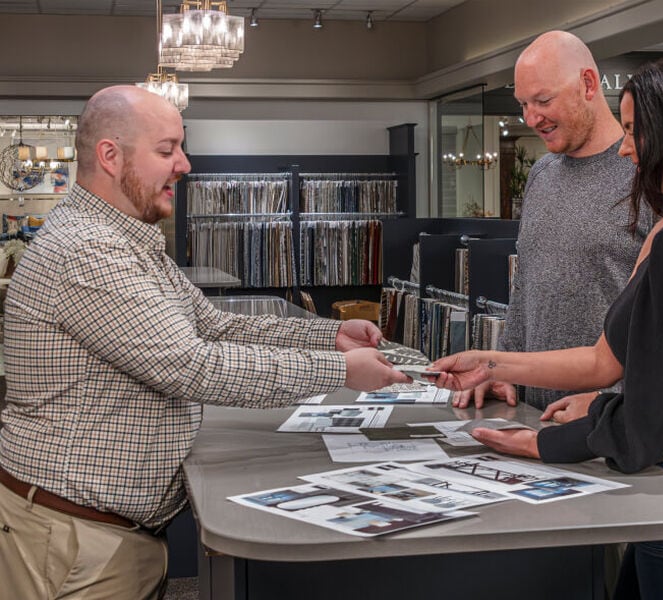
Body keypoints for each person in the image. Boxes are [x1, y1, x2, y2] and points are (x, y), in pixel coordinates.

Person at [0, 85, 410, 600]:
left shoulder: (127, 243)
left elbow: (214, 326)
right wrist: (340, 373)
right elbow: (193, 365)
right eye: (167, 149)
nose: (185, 165)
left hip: (96, 532)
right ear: (110, 156)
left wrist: (328, 336)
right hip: (73, 540)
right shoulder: (90, 251)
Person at [432, 56, 663, 599]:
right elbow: (605, 360)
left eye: (633, 132)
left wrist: (547, 443)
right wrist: (490, 361)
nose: (625, 149)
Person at [454, 31, 650, 412]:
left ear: (588, 84)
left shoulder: (646, 175)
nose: (531, 118)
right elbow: (525, 288)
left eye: (543, 100)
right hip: (534, 416)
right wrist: (503, 368)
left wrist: (617, 403)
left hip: (615, 422)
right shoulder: (541, 174)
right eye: (523, 104)